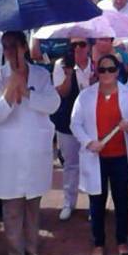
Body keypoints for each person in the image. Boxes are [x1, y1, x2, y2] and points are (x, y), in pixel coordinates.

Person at [0, 31, 60, 255]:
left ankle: (33, 250)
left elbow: (53, 104)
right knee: (12, 209)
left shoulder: (41, 74)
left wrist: (26, 92)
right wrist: (10, 89)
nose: (10, 52)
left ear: (25, 47)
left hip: (35, 148)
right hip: (8, 152)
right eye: (5, 47)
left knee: (33, 206)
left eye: (14, 46)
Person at [70, 53, 128, 255]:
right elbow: (75, 124)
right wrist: (88, 142)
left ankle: (122, 240)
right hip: (96, 157)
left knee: (121, 201)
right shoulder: (85, 96)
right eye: (102, 70)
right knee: (97, 202)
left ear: (118, 71)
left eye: (111, 69)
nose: (107, 74)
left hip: (121, 157)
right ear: (97, 72)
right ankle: (98, 242)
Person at [52, 37, 93, 221]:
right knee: (70, 164)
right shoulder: (61, 64)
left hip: (91, 122)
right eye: (74, 44)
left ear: (89, 46)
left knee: (92, 163)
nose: (78, 48)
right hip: (67, 121)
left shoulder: (97, 65)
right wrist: (69, 74)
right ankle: (69, 202)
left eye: (82, 44)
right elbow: (62, 92)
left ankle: (95, 205)